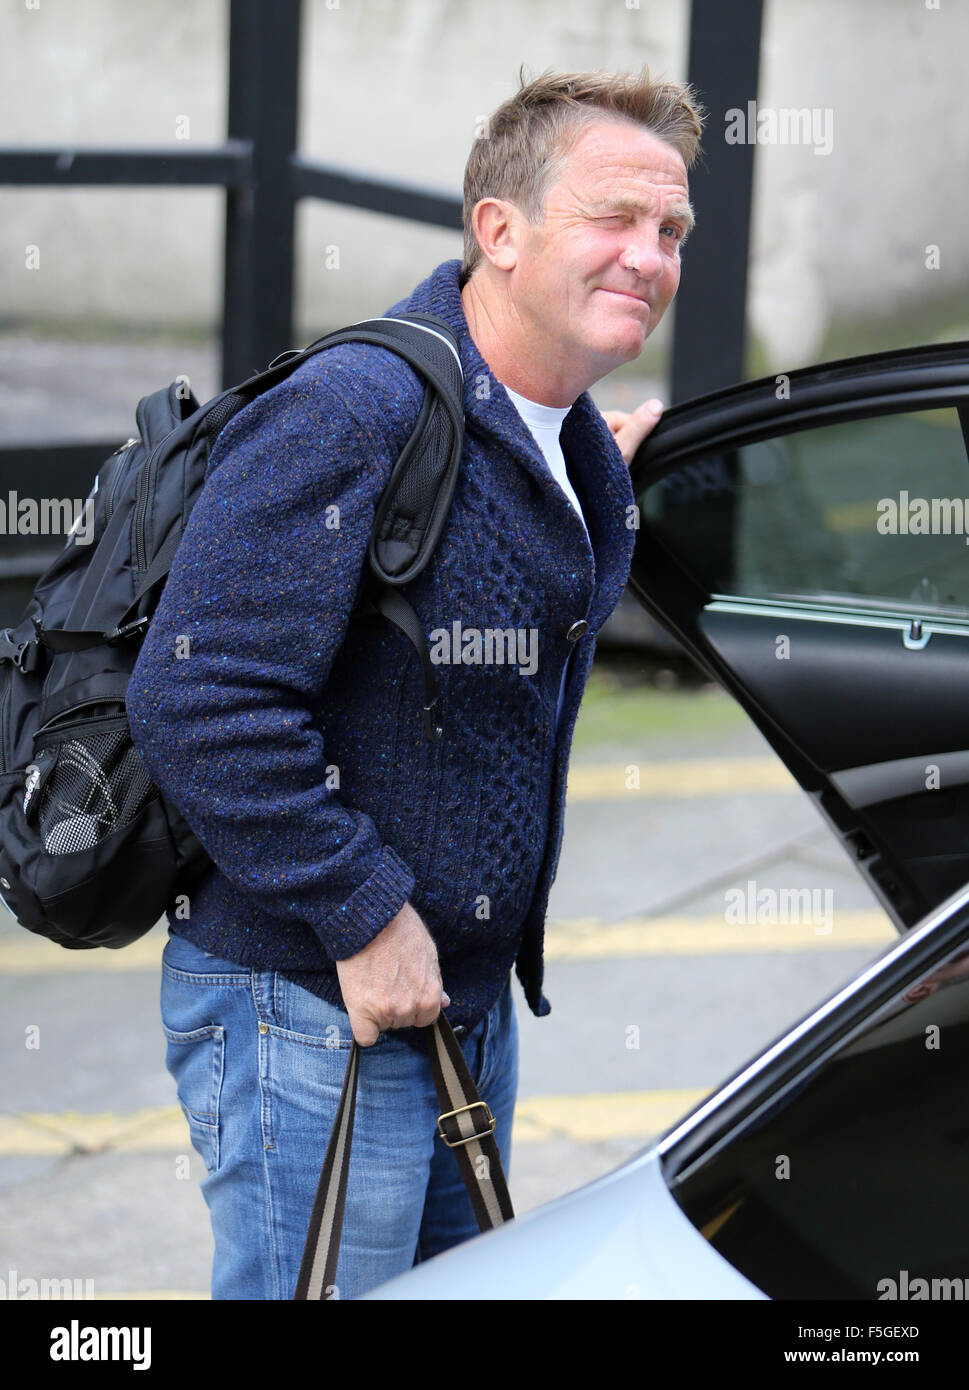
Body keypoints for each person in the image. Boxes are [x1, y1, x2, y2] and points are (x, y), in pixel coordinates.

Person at [126, 65, 704, 1300]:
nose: (650, 257)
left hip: (458, 999)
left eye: (671, 231)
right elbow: (198, 696)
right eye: (615, 218)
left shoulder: (556, 434)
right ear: (498, 230)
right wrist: (367, 913)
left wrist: (576, 490)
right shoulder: (359, 408)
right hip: (314, 1000)